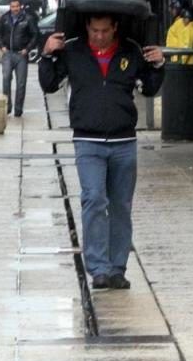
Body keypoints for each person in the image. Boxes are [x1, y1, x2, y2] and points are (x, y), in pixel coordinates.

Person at [39, 15, 165, 290]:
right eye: (94, 30)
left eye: (105, 31)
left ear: (115, 28)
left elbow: (150, 88)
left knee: (121, 206)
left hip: (124, 141)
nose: (99, 36)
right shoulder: (73, 51)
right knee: (94, 200)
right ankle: (98, 268)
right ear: (86, 27)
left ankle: (117, 268)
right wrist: (46, 55)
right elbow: (49, 85)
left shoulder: (131, 51)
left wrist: (157, 64)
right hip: (88, 140)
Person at [0, 0, 39, 117]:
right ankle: (7, 107)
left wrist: (28, 49)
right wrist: (1, 46)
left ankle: (18, 109)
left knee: (21, 83)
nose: (14, 9)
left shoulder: (28, 19)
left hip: (21, 54)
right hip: (8, 53)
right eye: (12, 6)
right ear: (9, 7)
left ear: (21, 6)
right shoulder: (4, 18)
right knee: (6, 79)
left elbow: (35, 35)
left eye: (16, 6)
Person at [165, 0, 193, 65]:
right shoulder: (181, 23)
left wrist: (180, 63)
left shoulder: (181, 24)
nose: (171, 11)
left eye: (174, 9)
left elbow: (185, 45)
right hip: (180, 59)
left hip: (181, 61)